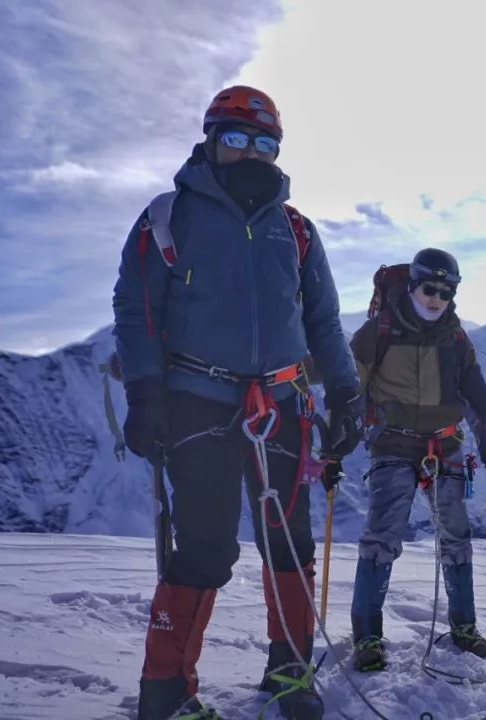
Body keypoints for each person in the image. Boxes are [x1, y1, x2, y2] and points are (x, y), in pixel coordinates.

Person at [113, 85, 363, 720]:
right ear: (209, 141)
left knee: (290, 542)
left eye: (264, 143)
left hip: (282, 403)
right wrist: (144, 394)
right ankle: (165, 691)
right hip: (196, 402)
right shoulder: (168, 218)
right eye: (235, 139)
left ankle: (290, 672)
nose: (250, 152)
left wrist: (346, 394)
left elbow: (324, 322)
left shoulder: (296, 230)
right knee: (204, 545)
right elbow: (137, 311)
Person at [348, 248, 486, 671]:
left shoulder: (456, 339)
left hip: (444, 444)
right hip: (394, 444)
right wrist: (332, 449)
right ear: (413, 285)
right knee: (382, 537)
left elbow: (478, 402)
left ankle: (465, 628)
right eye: (429, 289)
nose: (437, 298)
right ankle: (367, 637)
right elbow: (348, 389)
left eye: (445, 291)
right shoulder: (378, 332)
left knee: (456, 537)